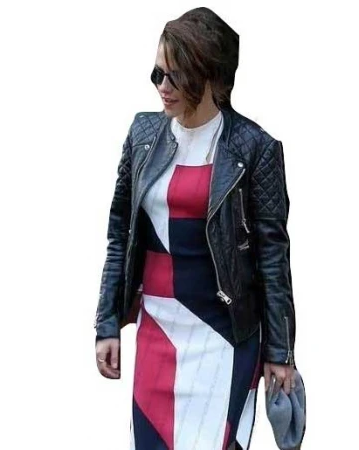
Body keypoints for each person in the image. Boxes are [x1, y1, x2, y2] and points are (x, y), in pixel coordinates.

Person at [94, 7, 298, 450]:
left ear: (211, 77)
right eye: (157, 73)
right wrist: (107, 323)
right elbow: (120, 233)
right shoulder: (142, 135)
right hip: (156, 332)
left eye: (176, 76)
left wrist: (280, 352)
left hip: (223, 337)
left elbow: (272, 257)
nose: (162, 87)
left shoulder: (255, 148)